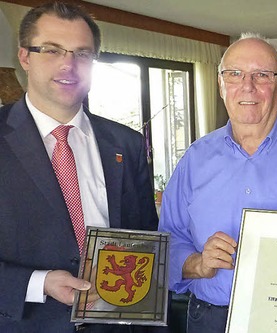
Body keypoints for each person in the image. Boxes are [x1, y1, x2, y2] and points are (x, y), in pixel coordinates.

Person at [158, 33, 277, 332]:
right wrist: (198, 263)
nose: (247, 86)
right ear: (220, 85)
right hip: (209, 318)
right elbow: (169, 238)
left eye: (262, 75)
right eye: (235, 74)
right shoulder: (194, 159)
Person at [0, 2, 159, 332]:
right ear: (25, 57)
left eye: (82, 54)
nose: (68, 65)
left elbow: (145, 237)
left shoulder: (126, 144)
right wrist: (38, 282)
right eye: (52, 51)